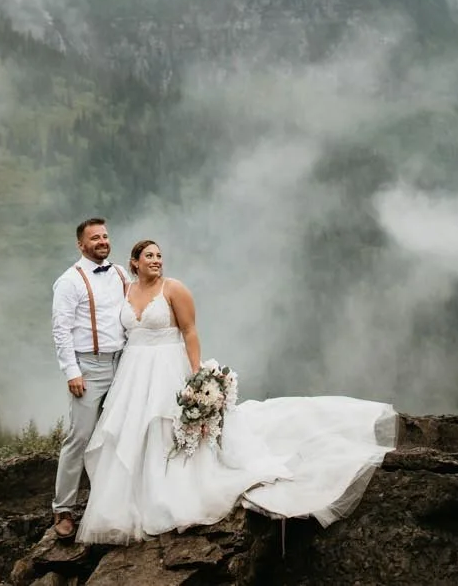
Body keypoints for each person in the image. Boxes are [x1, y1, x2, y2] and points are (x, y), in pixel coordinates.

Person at [76, 239, 396, 544]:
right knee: (133, 430)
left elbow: (189, 331)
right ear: (134, 262)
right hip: (133, 371)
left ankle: (170, 491)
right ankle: (133, 496)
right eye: (149, 256)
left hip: (167, 366)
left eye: (159, 255)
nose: (156, 260)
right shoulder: (126, 290)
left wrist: (196, 377)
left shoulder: (173, 289)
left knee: (167, 426)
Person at [49, 217, 127, 540]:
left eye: (105, 236)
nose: (102, 241)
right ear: (81, 244)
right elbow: (61, 330)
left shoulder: (120, 273)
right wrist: (72, 371)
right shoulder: (69, 281)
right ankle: (63, 509)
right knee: (79, 436)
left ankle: (113, 501)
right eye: (95, 238)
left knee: (119, 432)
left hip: (123, 363)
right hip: (89, 367)